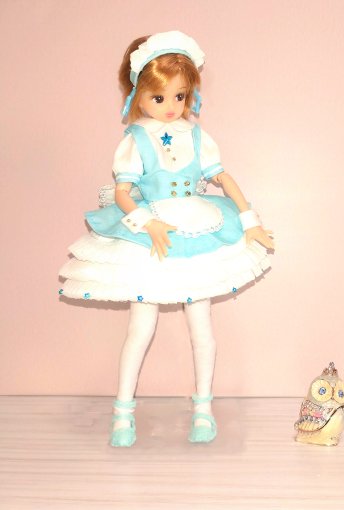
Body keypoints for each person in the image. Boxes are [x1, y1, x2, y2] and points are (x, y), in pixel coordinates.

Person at [58, 30, 273, 447]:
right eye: (159, 97)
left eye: (180, 96)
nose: (172, 106)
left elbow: (222, 177)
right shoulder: (136, 139)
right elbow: (123, 192)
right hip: (153, 231)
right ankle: (123, 413)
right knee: (141, 327)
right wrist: (148, 224)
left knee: (202, 327)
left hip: (200, 226)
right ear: (136, 95)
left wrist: (249, 221)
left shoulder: (196, 136)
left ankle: (203, 409)